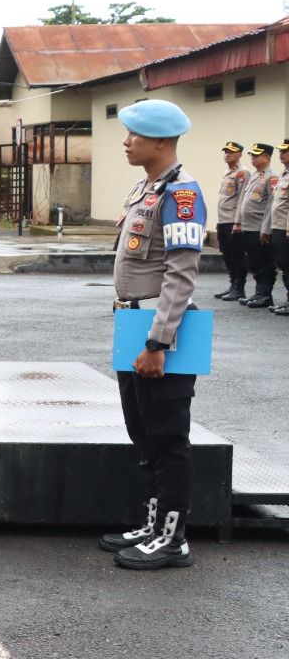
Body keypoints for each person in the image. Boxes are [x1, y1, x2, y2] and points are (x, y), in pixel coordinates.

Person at [98, 100, 206, 570]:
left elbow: (181, 275)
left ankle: (173, 539)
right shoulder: (146, 188)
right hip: (133, 322)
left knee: (167, 437)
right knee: (142, 433)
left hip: (160, 329)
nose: (126, 142)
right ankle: (152, 521)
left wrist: (158, 344)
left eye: (134, 136)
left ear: (161, 141)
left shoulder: (181, 195)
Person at [237, 142, 277, 308]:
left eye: (256, 155)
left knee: (264, 262)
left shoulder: (271, 177)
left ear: (266, 157)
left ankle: (265, 294)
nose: (253, 158)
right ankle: (258, 292)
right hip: (248, 226)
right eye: (252, 155)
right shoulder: (254, 175)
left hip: (259, 227)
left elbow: (271, 205)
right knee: (253, 262)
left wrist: (266, 229)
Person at [212, 142, 251, 301]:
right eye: (226, 152)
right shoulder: (228, 172)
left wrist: (238, 222)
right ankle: (232, 284)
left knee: (236, 254)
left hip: (233, 221)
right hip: (223, 220)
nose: (227, 154)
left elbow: (243, 198)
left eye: (231, 152)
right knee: (227, 254)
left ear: (240, 154)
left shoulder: (242, 173)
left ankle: (239, 287)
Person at [266, 139, 289, 317]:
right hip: (278, 226)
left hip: (286, 228)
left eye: (285, 151)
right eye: (280, 151)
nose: (281, 154)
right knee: (283, 263)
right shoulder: (284, 175)